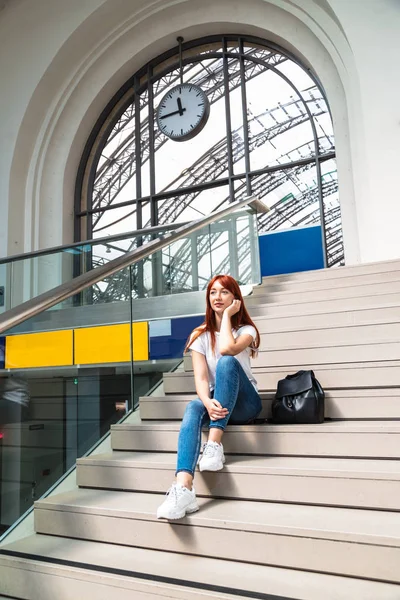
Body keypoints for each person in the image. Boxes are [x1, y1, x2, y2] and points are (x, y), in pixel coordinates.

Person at [157, 274, 261, 520]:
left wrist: (226, 317)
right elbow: (202, 380)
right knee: (194, 406)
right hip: (218, 402)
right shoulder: (199, 335)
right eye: (213, 292)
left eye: (224, 292)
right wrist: (206, 402)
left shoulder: (247, 330)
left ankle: (214, 444)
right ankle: (184, 487)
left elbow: (227, 349)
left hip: (246, 404)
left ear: (235, 298)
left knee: (226, 362)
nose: (217, 297)